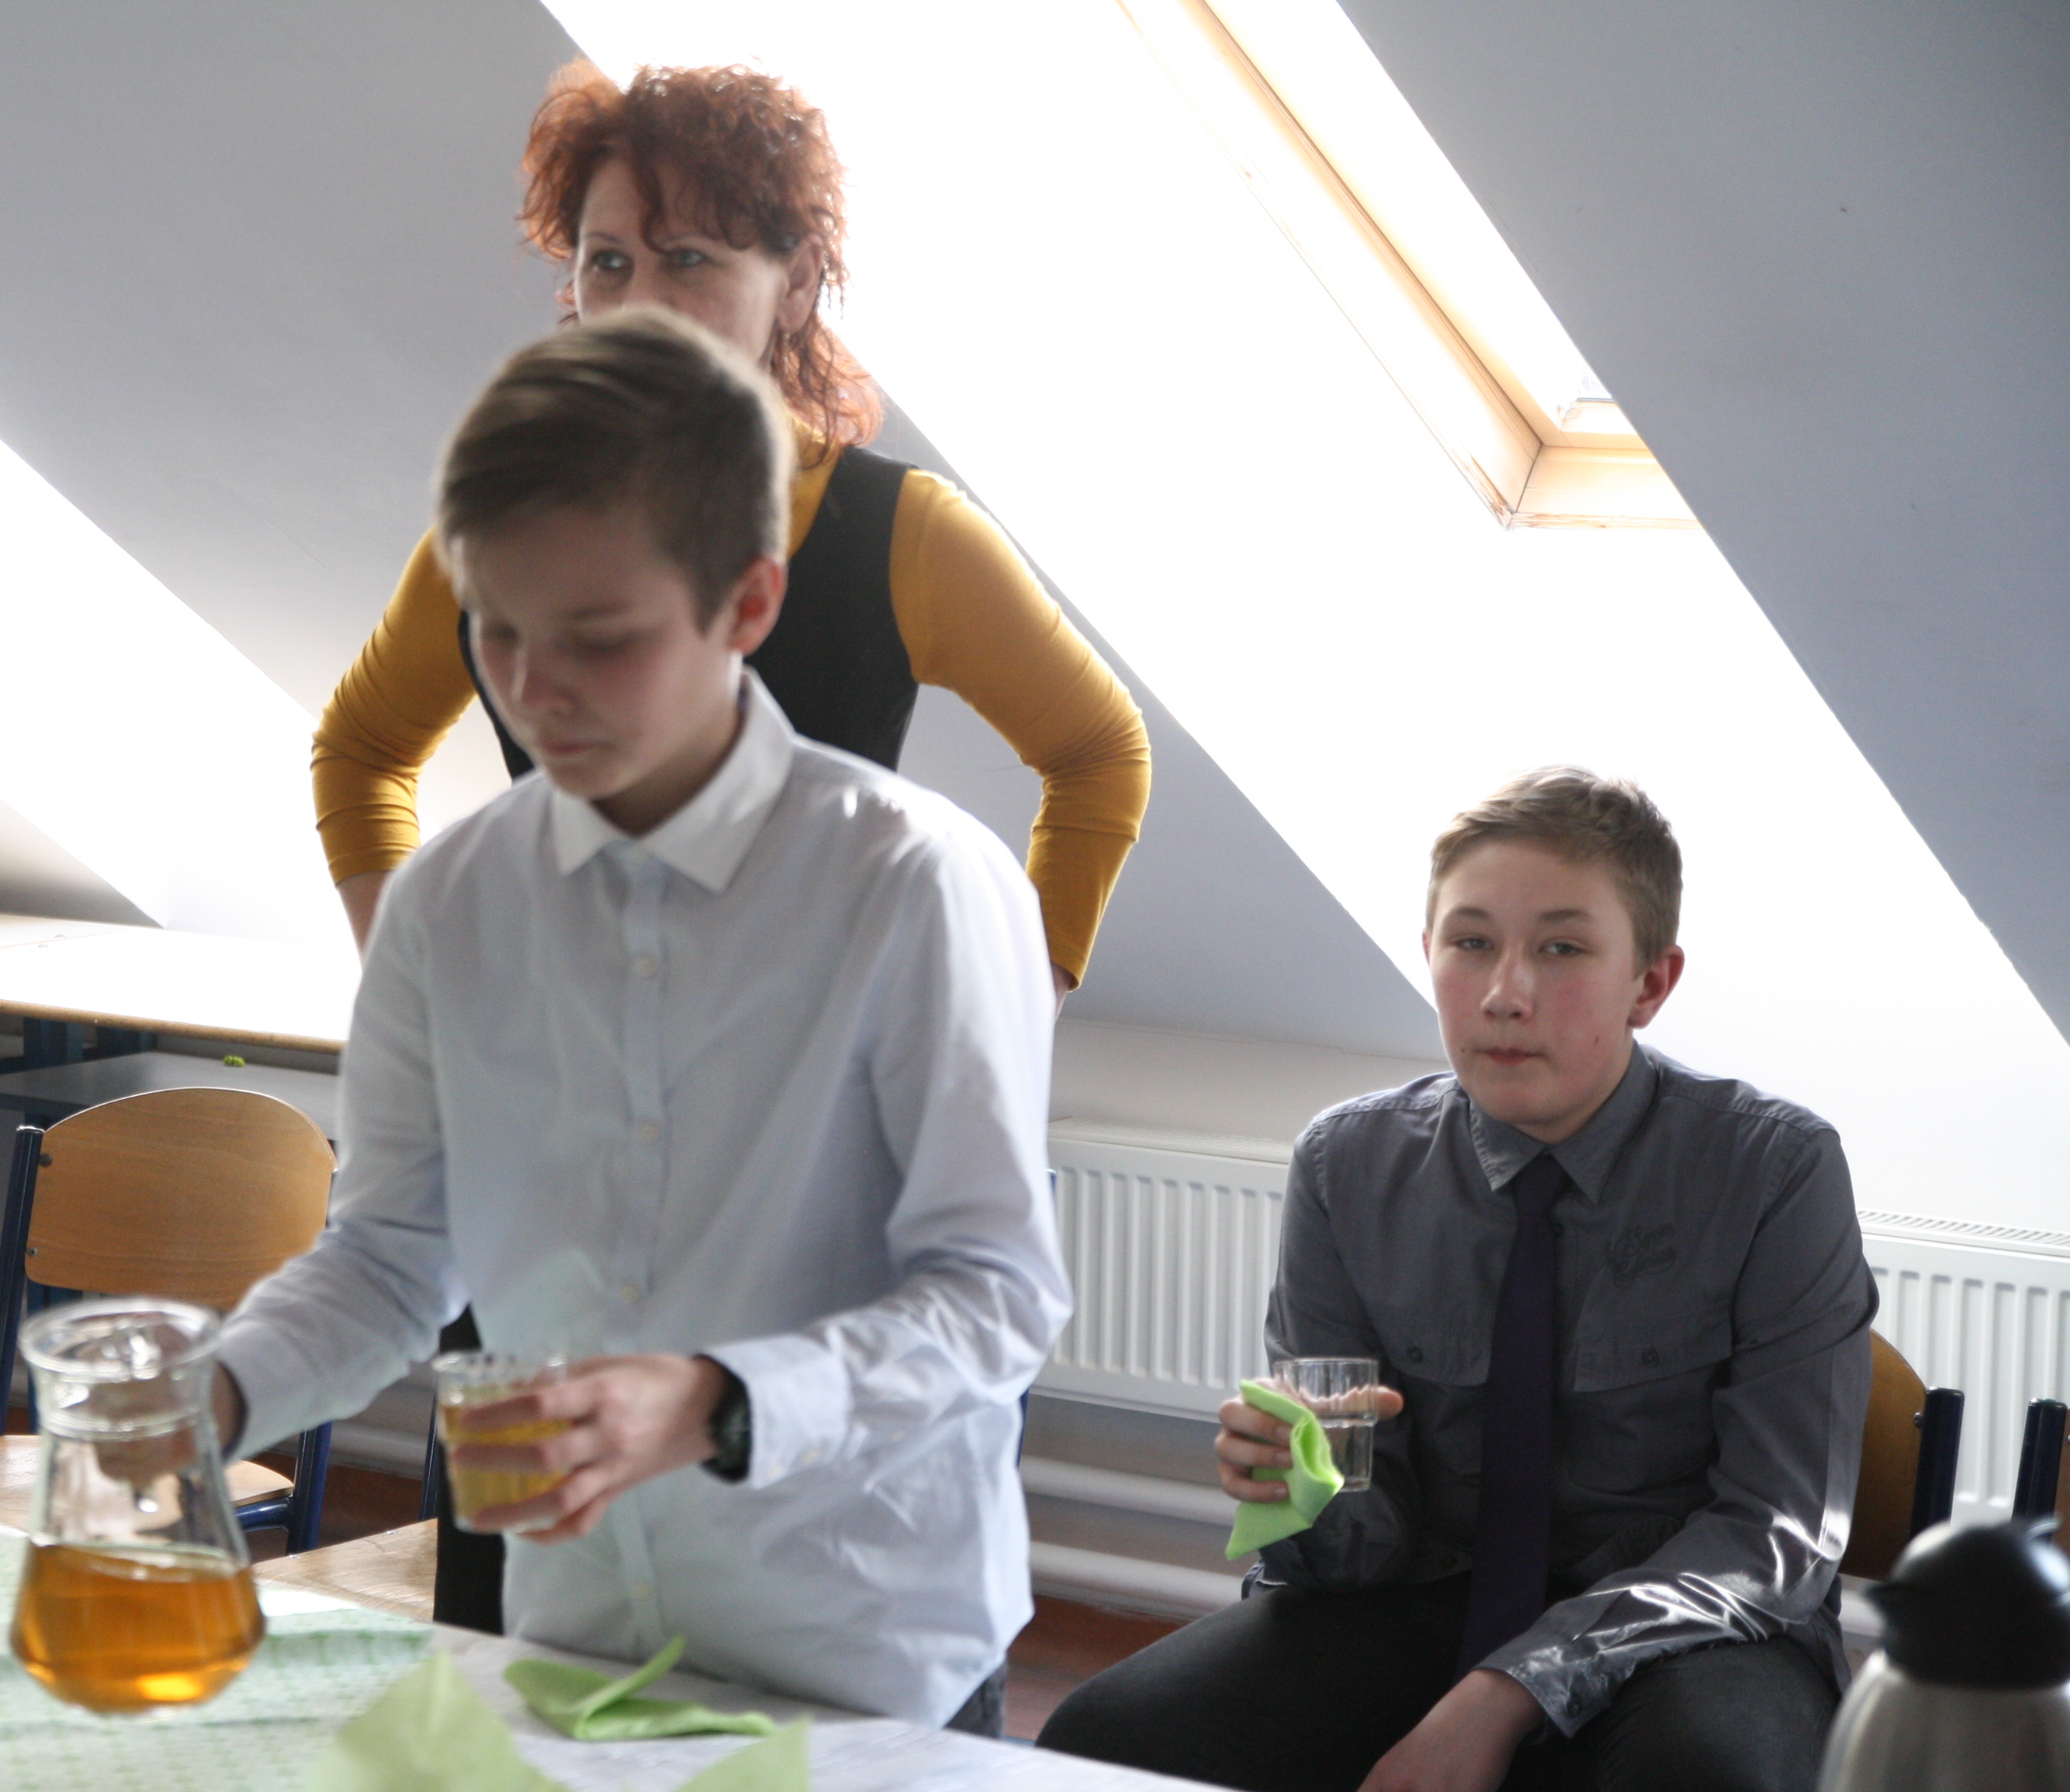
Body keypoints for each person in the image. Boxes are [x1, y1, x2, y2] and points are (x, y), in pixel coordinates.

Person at [318, 58, 1149, 1634]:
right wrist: (421, 988)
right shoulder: (512, 536)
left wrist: (1024, 994)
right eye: (606, 260)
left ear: (795, 284)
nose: (638, 301)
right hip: (567, 1161)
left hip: (808, 1173)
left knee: (807, 1607)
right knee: (531, 1623)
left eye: (692, 258)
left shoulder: (899, 533)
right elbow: (360, 752)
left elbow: (1097, 751)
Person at [215, 308, 1071, 1732]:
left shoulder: (912, 884)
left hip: (864, 1653)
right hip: (574, 1637)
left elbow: (995, 1297)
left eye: (599, 641)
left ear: (749, 604)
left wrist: (713, 1401)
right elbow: (388, 1256)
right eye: (496, 630)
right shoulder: (447, 903)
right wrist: (211, 1397)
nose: (532, 692)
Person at [1039, 769, 1875, 1792]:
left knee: (1705, 1776)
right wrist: (1297, 1491)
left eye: (1560, 949)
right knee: (1104, 1738)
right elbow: (1363, 1539)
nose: (1502, 994)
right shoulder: (1346, 1164)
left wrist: (1510, 1687)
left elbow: (1771, 1532)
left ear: (1649, 983)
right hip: (1426, 1590)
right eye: (1470, 942)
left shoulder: (1773, 1169)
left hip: (1689, 1621)